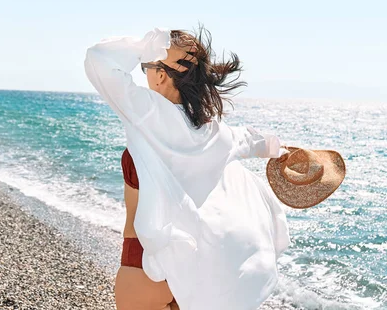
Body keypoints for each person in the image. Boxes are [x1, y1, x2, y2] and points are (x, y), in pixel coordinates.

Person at [84, 26, 291, 310]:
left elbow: (98, 59)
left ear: (159, 74)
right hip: (195, 273)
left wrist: (147, 45)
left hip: (143, 263)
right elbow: (252, 141)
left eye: (148, 66)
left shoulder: (146, 111)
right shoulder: (214, 131)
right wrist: (278, 150)